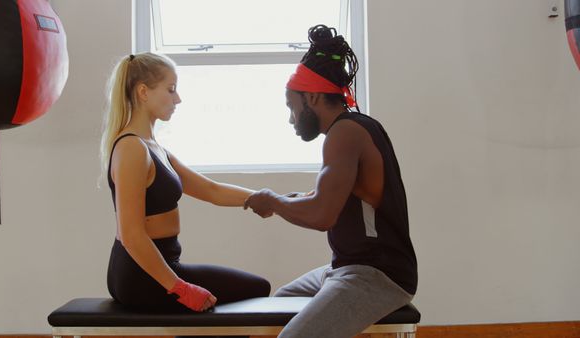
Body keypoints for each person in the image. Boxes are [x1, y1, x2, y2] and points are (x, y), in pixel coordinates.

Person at [244, 25, 418, 338]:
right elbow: (331, 198)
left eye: (291, 106)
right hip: (344, 268)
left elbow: (322, 215)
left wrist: (273, 202)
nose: (290, 118)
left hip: (376, 276)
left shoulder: (345, 133)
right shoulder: (353, 128)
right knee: (282, 302)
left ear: (310, 96)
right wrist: (292, 199)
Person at [100, 52, 270, 316]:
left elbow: (210, 190)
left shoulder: (154, 148)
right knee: (254, 289)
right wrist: (180, 288)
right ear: (143, 92)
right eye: (170, 90)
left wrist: (272, 200)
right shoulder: (131, 148)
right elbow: (131, 236)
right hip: (140, 275)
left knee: (253, 290)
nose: (177, 99)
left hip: (164, 265)